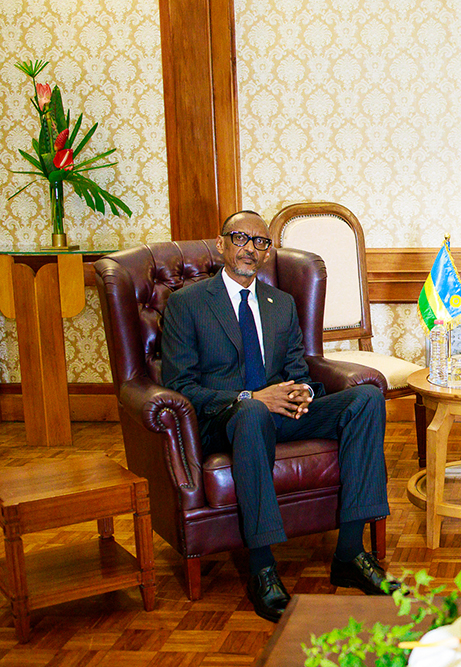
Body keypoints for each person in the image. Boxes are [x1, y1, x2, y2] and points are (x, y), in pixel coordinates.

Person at [161, 210, 399, 622]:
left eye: (261, 242)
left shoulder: (281, 304)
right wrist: (253, 396)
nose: (250, 248)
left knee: (365, 400)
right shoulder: (188, 303)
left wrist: (302, 391)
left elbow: (298, 369)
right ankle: (262, 568)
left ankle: (350, 553)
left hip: (281, 412)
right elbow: (182, 387)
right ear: (221, 245)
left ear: (268, 251)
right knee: (252, 412)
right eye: (240, 238)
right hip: (229, 417)